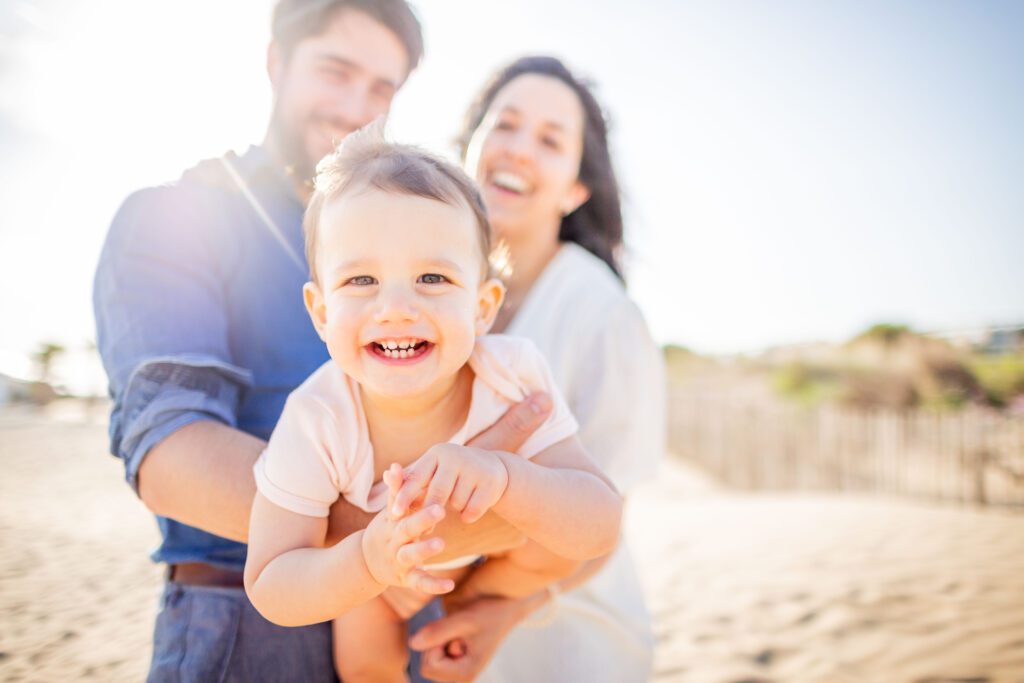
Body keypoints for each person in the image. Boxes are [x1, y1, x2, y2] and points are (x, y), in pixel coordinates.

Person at [93, 3, 547, 680]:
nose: (354, 110)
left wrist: (506, 601)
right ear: (276, 61)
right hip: (251, 625)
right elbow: (167, 451)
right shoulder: (172, 217)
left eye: (381, 90)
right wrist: (364, 547)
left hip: (413, 622)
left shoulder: (418, 247)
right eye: (335, 72)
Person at [243, 125, 622, 683]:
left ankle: (466, 609)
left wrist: (507, 478)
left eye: (432, 277)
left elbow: (600, 523)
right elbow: (272, 580)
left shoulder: (510, 374)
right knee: (366, 660)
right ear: (321, 313)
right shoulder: (319, 417)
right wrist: (369, 560)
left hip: (486, 566)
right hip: (368, 572)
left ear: (482, 307)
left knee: (555, 546)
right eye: (362, 279)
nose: (396, 307)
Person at [410, 56, 666, 682]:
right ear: (467, 147)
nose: (519, 150)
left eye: (550, 140)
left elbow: (606, 512)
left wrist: (504, 610)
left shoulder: (602, 313)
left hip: (572, 645)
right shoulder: (422, 289)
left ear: (576, 187)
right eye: (505, 125)